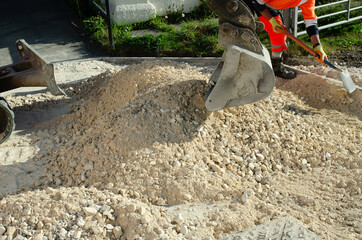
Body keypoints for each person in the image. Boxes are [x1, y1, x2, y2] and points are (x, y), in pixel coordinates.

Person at [242, 0, 327, 79]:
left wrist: (317, 46)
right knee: (243, 29)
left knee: (278, 34)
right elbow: (257, 1)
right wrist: (272, 21)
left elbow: (310, 22)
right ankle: (241, 65)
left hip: (266, 4)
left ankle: (276, 66)